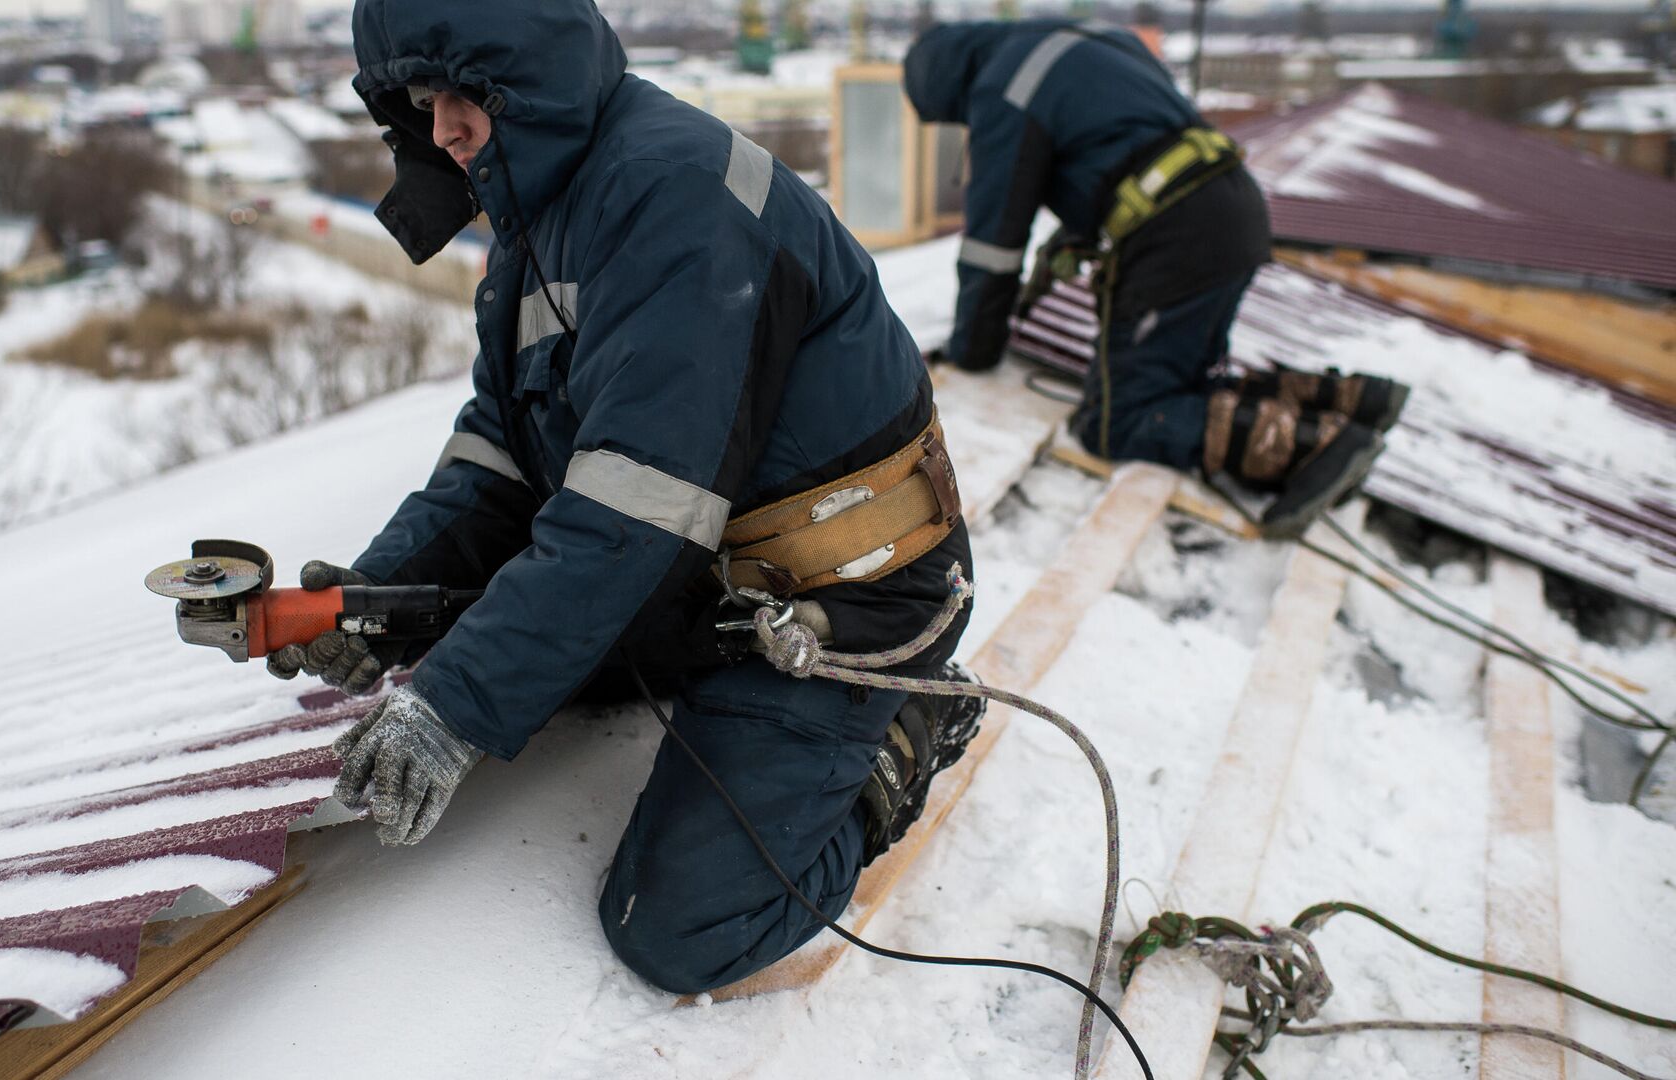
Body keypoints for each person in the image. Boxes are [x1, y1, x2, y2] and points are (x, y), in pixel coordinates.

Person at [266, 0, 982, 996]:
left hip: (845, 594)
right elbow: (504, 458)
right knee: (510, 647)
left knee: (680, 927)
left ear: (538, 73)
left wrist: (456, 704)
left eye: (469, 92)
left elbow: (631, 509)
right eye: (422, 103)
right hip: (703, 576)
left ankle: (902, 739)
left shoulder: (671, 196)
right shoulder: (544, 210)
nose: (446, 129)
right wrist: (384, 597)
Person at [904, 20, 1408, 538]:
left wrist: (973, 352)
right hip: (1231, 204)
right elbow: (1122, 141)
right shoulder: (1087, 41)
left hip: (1177, 234)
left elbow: (993, 249)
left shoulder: (1002, 91)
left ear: (948, 88)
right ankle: (1351, 402)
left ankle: (1317, 448)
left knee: (1113, 422)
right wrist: (1079, 228)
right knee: (1182, 384)